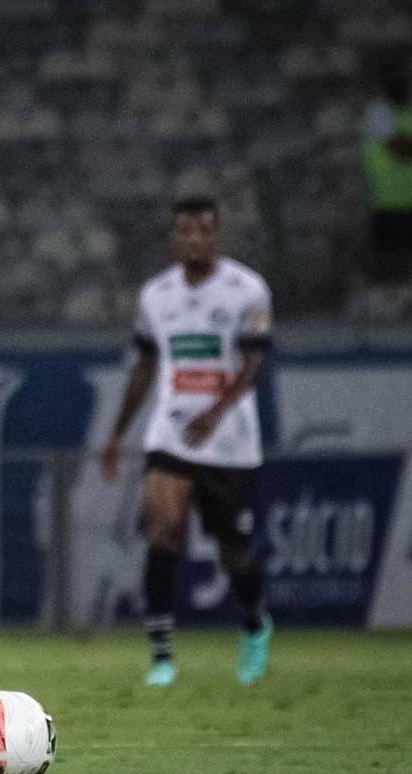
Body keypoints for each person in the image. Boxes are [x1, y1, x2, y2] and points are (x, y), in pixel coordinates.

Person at [100, 196, 272, 688]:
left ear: (217, 235)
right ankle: (161, 656)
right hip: (171, 433)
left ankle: (255, 623)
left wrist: (216, 414)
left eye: (204, 230)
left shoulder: (247, 290)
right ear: (173, 238)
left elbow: (253, 364)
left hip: (230, 441)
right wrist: (116, 433)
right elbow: (146, 365)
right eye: (185, 231)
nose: (195, 238)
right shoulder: (155, 295)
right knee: (163, 532)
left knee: (232, 553)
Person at [362, 58, 412, 287]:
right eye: (396, 78)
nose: (402, 83)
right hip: (389, 207)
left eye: (404, 78)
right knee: (393, 274)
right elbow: (401, 148)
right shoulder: (379, 113)